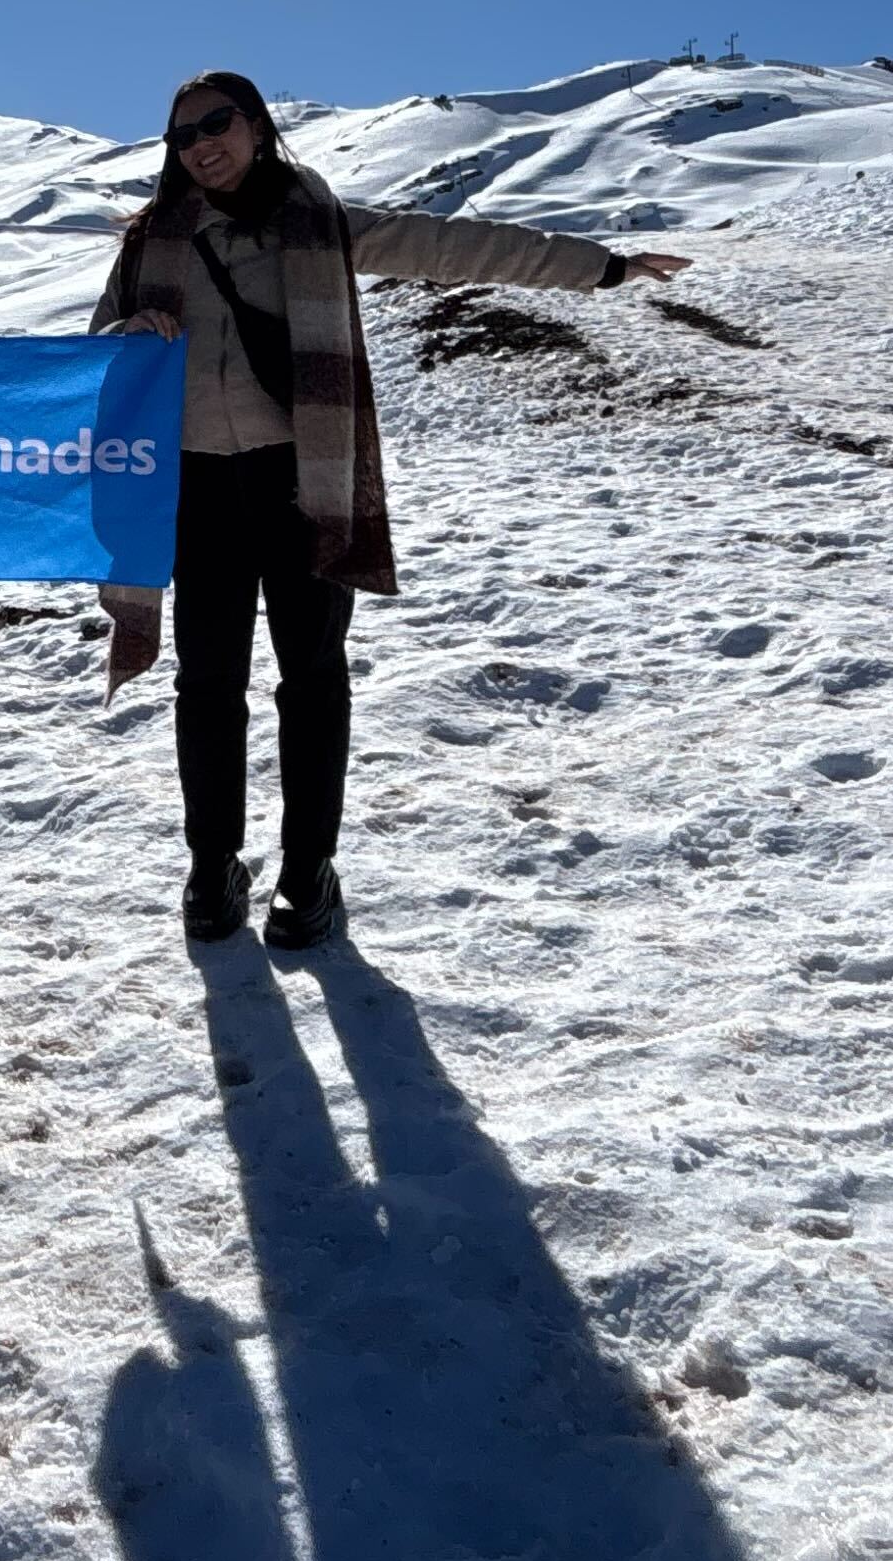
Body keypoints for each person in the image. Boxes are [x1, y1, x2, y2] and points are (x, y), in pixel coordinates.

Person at [99, 71, 687, 950]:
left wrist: (598, 266)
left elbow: (455, 248)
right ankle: (210, 869)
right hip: (197, 489)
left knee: (312, 677)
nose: (200, 146)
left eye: (216, 124)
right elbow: (91, 347)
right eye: (182, 135)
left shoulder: (319, 221)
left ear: (259, 126)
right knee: (207, 682)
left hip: (306, 480)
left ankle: (306, 873)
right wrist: (126, 336)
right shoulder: (153, 241)